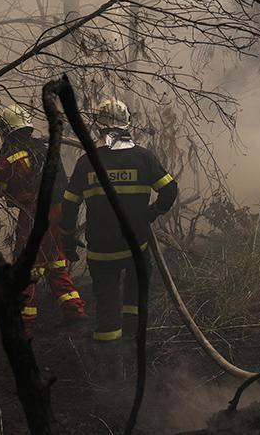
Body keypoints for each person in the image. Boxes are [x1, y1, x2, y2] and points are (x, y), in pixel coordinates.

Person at [61, 98, 177, 347]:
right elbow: (170, 190)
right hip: (136, 245)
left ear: (99, 126)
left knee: (107, 302)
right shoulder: (144, 158)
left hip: (101, 250)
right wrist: (152, 212)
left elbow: (69, 205)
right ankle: (133, 346)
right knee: (135, 296)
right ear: (127, 124)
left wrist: (68, 238)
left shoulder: (86, 162)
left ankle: (109, 360)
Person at [0, 103, 86, 335]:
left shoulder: (11, 159)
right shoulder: (47, 148)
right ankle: (74, 311)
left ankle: (24, 324)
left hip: (34, 216)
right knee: (55, 263)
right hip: (58, 212)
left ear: (6, 129)